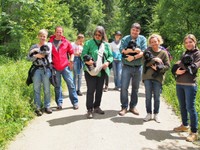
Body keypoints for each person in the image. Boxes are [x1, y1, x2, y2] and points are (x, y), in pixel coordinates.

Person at [172, 34, 200, 142]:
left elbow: (193, 68)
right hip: (179, 83)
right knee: (182, 106)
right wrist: (175, 71)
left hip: (190, 85)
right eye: (186, 42)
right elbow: (175, 67)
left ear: (194, 42)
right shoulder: (184, 53)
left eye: (190, 42)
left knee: (190, 107)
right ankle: (184, 125)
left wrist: (180, 63)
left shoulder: (198, 54)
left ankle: (194, 132)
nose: (188, 44)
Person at [81, 26, 113, 119]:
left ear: (103, 35)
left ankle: (97, 107)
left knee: (99, 90)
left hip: (102, 71)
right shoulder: (88, 43)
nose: (97, 36)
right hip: (90, 70)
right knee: (91, 90)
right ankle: (89, 109)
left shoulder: (106, 45)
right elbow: (83, 55)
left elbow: (111, 56)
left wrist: (107, 62)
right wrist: (87, 61)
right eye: (95, 34)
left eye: (99, 35)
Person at [118, 23, 147, 116]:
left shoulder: (142, 39)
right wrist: (136, 50)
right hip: (126, 66)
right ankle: (124, 107)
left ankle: (133, 106)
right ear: (131, 30)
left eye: (137, 30)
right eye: (133, 30)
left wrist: (133, 57)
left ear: (139, 31)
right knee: (124, 87)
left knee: (135, 88)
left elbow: (144, 52)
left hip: (138, 67)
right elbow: (122, 50)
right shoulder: (125, 39)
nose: (135, 32)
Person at [49, 26, 79, 110]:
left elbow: (72, 52)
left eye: (60, 32)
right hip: (55, 68)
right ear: (55, 33)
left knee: (71, 85)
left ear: (63, 33)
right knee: (57, 86)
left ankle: (75, 102)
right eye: (57, 32)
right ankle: (59, 103)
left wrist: (71, 60)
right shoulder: (49, 43)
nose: (59, 33)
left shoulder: (66, 42)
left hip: (65, 67)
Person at [142, 34, 170, 123]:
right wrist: (155, 60)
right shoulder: (147, 51)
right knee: (148, 96)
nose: (154, 43)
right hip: (147, 77)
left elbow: (168, 66)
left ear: (159, 41)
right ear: (150, 43)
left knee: (157, 97)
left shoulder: (164, 53)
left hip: (158, 77)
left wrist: (158, 68)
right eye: (152, 42)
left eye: (155, 41)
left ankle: (156, 114)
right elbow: (144, 63)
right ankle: (149, 113)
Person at [27, 29, 52, 116]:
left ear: (46, 37)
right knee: (36, 89)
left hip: (46, 69)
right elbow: (28, 58)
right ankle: (37, 107)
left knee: (47, 89)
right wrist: (35, 56)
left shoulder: (48, 46)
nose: (42, 38)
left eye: (44, 36)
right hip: (36, 69)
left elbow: (49, 57)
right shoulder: (34, 47)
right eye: (41, 36)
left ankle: (47, 106)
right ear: (38, 36)